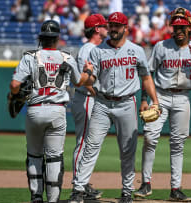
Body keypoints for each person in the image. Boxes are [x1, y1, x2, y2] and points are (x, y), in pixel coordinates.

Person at [69, 11, 159, 203]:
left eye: (118, 25)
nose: (114, 28)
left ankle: (127, 191)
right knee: (90, 147)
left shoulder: (136, 50)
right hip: (102, 102)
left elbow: (146, 77)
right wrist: (83, 77)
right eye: (111, 25)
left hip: (127, 102)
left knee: (127, 150)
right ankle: (78, 190)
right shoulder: (97, 50)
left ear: (126, 28)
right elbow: (91, 79)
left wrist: (154, 101)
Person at [9, 20, 93, 203]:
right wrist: (89, 72)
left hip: (35, 110)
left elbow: (15, 85)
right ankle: (53, 200)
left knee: (34, 155)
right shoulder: (66, 57)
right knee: (54, 158)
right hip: (57, 111)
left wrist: (15, 95)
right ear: (57, 38)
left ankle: (36, 197)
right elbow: (80, 82)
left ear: (41, 38)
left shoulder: (30, 56)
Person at [134, 7, 191, 201]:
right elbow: (148, 73)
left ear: (190, 28)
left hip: (183, 97)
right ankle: (145, 184)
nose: (178, 30)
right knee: (150, 137)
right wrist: (145, 98)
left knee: (178, 144)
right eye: (175, 26)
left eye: (182, 26)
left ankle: (175, 188)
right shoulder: (161, 46)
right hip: (160, 95)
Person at [70, 13, 108, 200]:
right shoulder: (88, 49)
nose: (107, 29)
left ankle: (82, 183)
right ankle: (78, 185)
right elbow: (84, 80)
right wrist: (99, 95)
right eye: (104, 26)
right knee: (83, 142)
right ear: (96, 29)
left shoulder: (95, 48)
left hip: (91, 98)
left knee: (89, 143)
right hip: (85, 97)